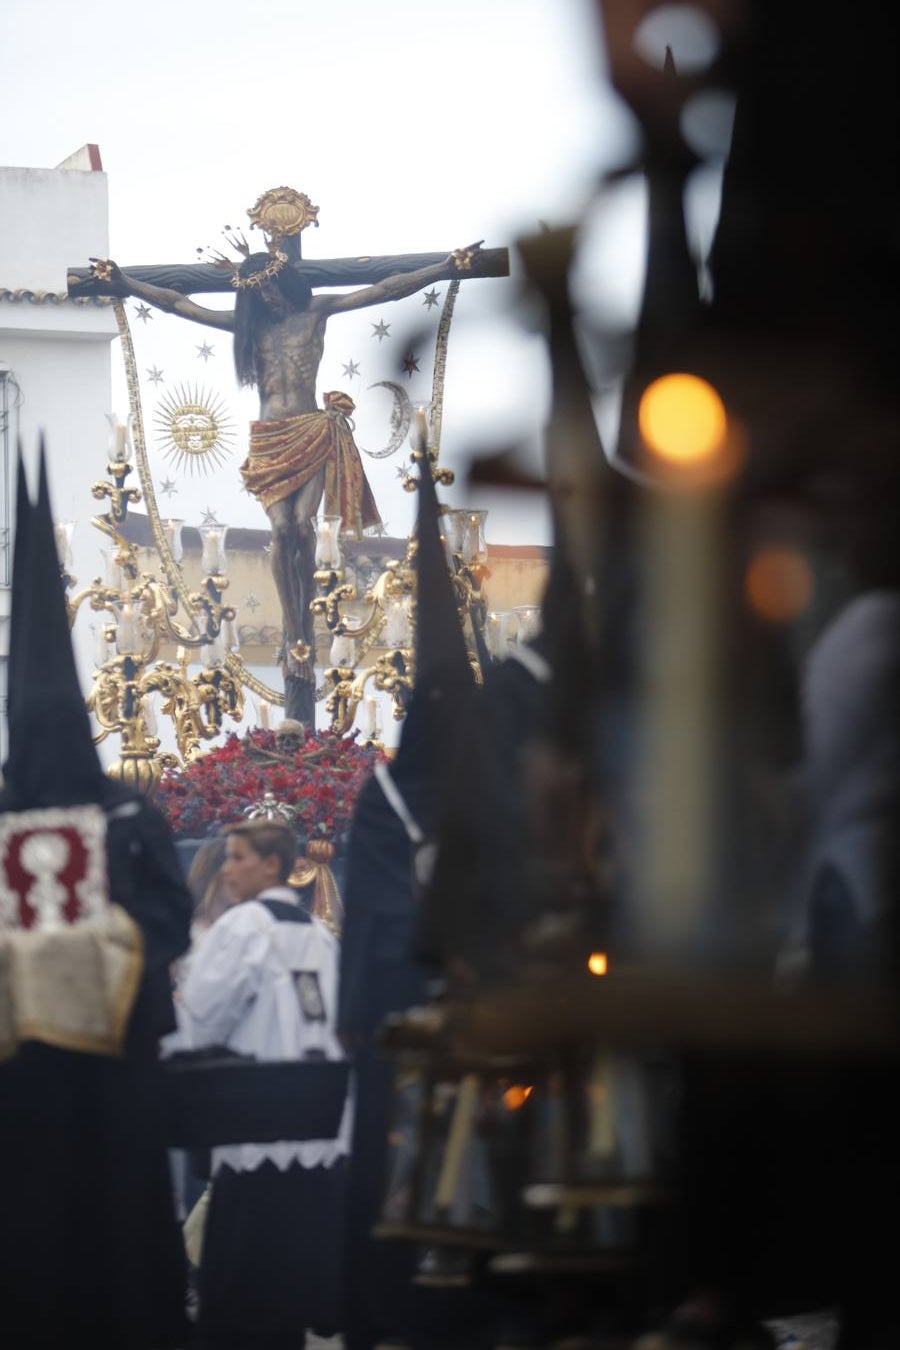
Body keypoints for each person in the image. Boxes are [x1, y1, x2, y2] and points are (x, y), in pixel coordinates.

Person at [87, 225, 484, 724]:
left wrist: (445, 269)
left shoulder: (314, 314)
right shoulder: (249, 329)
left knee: (301, 529)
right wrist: (127, 284)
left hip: (311, 432)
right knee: (280, 530)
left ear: (287, 285)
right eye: (259, 294)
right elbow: (178, 304)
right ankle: (293, 625)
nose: (268, 299)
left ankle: (303, 627)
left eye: (272, 289)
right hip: (270, 437)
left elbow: (384, 288)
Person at [0, 448, 194, 1349]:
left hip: (112, 1070)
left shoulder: (127, 811)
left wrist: (99, 952)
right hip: (28, 1077)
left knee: (108, 1235)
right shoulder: (81, 812)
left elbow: (170, 922)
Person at [175, 818, 352, 1350]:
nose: (226, 869)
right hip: (320, 1137)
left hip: (254, 1132)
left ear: (272, 864)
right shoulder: (319, 934)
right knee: (290, 1296)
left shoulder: (242, 926)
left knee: (239, 1302)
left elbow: (198, 1022)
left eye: (237, 858)